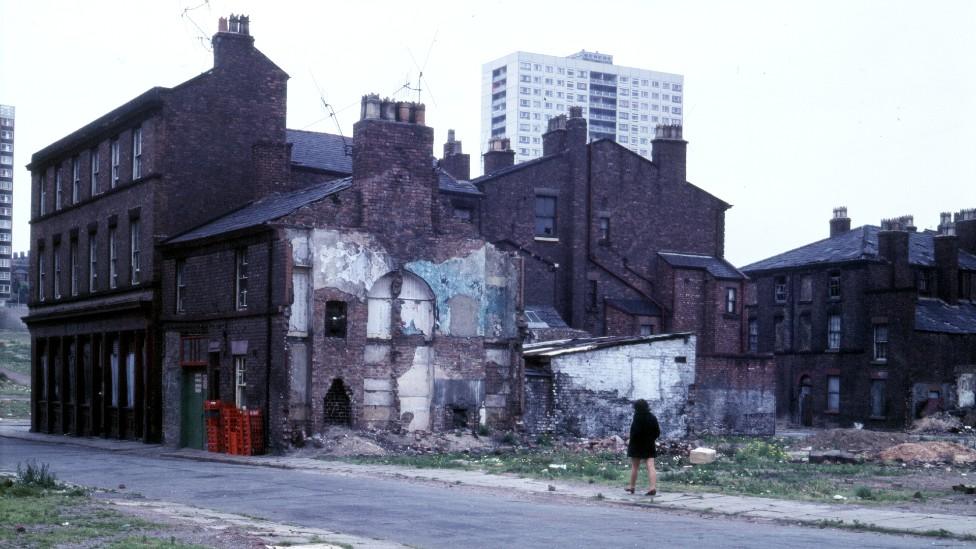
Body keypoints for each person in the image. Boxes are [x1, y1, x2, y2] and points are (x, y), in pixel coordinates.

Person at [625, 399, 660, 496]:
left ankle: (632, 486)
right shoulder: (652, 417)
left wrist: (631, 441)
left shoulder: (637, 417)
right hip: (649, 444)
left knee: (635, 467)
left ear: (636, 408)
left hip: (637, 444)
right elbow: (657, 432)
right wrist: (651, 439)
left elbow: (634, 432)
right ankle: (652, 487)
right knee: (651, 466)